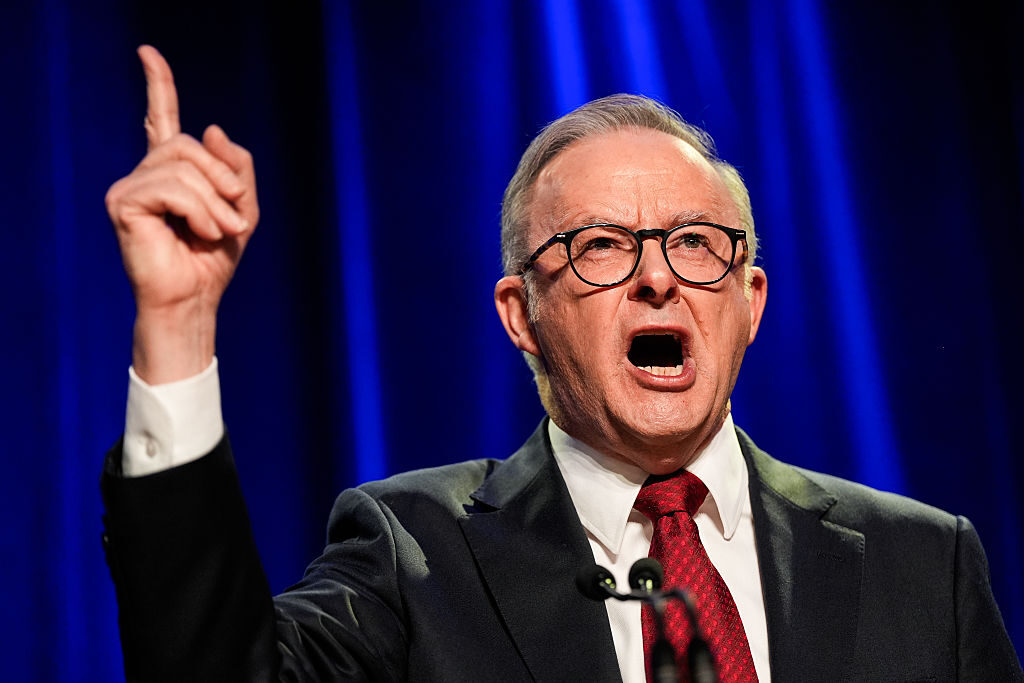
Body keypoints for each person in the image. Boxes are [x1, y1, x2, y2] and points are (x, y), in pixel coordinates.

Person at [102, 46, 1022, 682]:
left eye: (698, 244)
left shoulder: (925, 563)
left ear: (752, 301)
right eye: (600, 247)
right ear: (522, 316)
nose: (658, 277)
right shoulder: (413, 553)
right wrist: (179, 324)